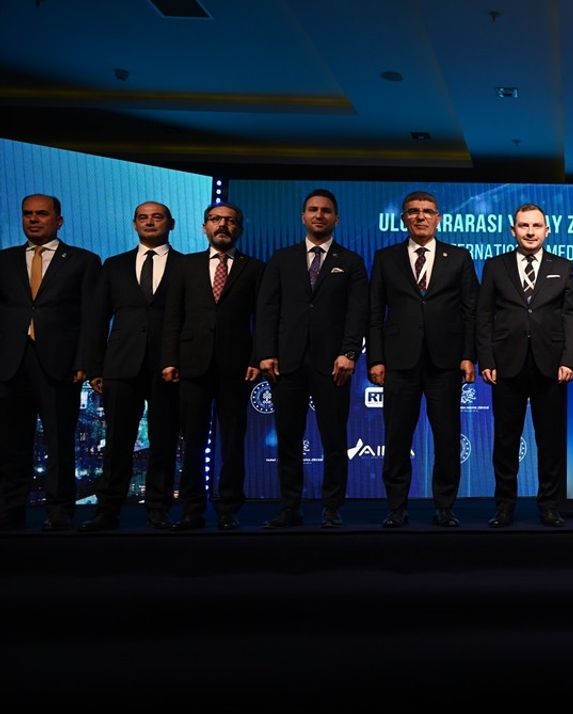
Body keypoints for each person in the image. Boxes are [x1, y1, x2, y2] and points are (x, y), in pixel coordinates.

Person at [255, 189, 368, 529]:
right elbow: (267, 308)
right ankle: (290, 507)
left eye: (326, 211)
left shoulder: (350, 262)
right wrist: (266, 352)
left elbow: (357, 313)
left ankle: (332, 507)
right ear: (303, 217)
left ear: (337, 219)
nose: (319, 215)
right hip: (287, 362)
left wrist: (349, 353)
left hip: (333, 363)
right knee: (288, 439)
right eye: (313, 210)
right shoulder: (281, 258)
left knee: (334, 439)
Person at [367, 191, 477, 528]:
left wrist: (468, 356)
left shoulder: (458, 257)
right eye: (413, 212)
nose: (420, 217)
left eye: (427, 211)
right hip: (400, 362)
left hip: (445, 363)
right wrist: (376, 358)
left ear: (438, 218)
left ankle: (445, 506)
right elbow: (374, 312)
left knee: (447, 438)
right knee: (397, 437)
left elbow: (470, 311)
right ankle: (397, 507)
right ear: (403, 218)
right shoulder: (386, 258)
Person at [0, 194, 100, 531]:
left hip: (60, 363)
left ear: (58, 220)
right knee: (12, 442)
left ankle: (59, 509)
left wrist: (85, 360)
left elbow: (91, 315)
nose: (33, 220)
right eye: (27, 214)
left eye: (41, 214)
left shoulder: (84, 261)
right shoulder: (4, 260)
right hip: (10, 362)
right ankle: (11, 508)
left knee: (60, 441)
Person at [161, 202, 264, 531]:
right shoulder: (185, 266)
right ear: (204, 226)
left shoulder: (255, 268)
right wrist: (169, 359)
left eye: (231, 221)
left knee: (233, 440)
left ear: (240, 229)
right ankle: (192, 509)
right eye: (216, 220)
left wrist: (256, 359)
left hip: (237, 366)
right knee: (191, 440)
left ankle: (228, 509)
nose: (223, 225)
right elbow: (172, 316)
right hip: (192, 364)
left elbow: (262, 320)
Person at [81, 201, 182, 531]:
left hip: (168, 365)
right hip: (121, 364)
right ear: (134, 224)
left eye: (157, 217)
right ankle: (108, 510)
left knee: (164, 440)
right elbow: (97, 318)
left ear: (171, 223)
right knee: (117, 440)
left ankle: (158, 509)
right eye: (143, 218)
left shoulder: (186, 266)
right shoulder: (114, 265)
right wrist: (94, 367)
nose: (150, 222)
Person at [478, 203, 573, 528]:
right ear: (513, 231)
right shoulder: (495, 266)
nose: (531, 232)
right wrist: (487, 359)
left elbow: (571, 315)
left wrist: (568, 359)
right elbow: (483, 315)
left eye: (537, 226)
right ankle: (504, 506)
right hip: (506, 366)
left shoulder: (563, 266)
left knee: (550, 441)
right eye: (524, 226)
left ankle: (549, 506)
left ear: (547, 231)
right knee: (506, 441)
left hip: (551, 367)